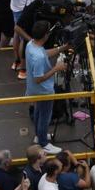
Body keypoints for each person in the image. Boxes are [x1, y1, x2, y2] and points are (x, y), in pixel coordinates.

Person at [26, 20, 68, 154]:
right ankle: (43, 143)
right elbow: (38, 78)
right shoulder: (37, 57)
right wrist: (56, 68)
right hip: (43, 90)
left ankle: (39, 135)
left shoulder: (31, 45)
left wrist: (61, 48)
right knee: (45, 116)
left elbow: (45, 53)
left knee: (39, 112)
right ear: (45, 35)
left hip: (35, 90)